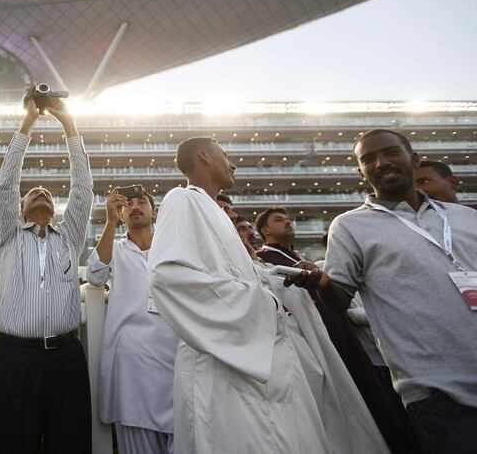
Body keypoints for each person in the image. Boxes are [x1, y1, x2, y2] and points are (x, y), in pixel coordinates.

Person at [148, 136, 328, 453]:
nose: (233, 163)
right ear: (204, 156)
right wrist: (263, 303)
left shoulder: (214, 211)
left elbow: (237, 275)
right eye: (225, 154)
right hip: (221, 357)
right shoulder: (182, 199)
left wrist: (283, 278)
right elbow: (168, 277)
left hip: (255, 355)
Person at [302, 128, 477, 454]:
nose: (381, 163)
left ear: (414, 159)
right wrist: (323, 284)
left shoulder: (466, 218)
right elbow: (339, 298)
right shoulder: (350, 225)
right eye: (369, 159)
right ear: (361, 172)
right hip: (436, 393)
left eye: (390, 152)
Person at [222, 197, 390, 453]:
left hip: (326, 336)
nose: (288, 222)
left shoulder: (286, 258)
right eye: (279, 220)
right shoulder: (264, 259)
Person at [0, 84, 93, 454]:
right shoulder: (9, 237)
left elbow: (83, 188)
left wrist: (68, 121)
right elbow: (5, 186)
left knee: (71, 443)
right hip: (16, 358)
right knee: (12, 444)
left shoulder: (69, 238)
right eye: (32, 193)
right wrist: (30, 118)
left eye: (48, 192)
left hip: (66, 358)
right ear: (19, 210)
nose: (42, 192)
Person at [88, 187, 178, 454]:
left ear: (155, 212)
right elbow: (95, 276)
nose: (136, 207)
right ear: (123, 213)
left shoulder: (174, 247)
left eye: (142, 202)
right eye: (129, 204)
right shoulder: (114, 247)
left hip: (176, 358)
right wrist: (110, 222)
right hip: (132, 365)